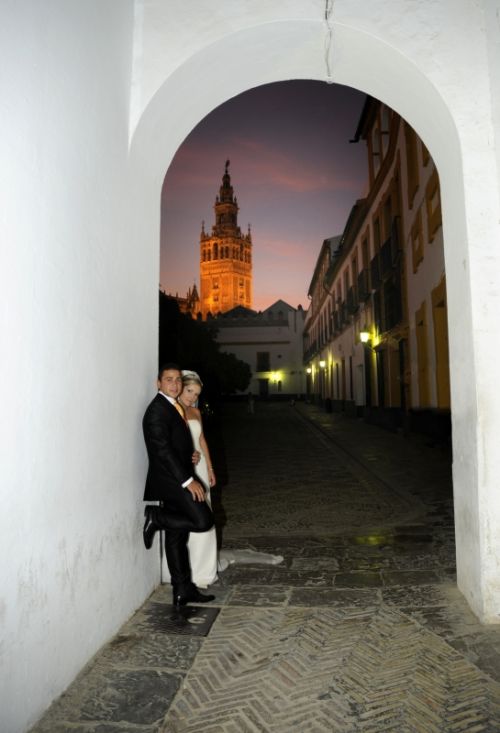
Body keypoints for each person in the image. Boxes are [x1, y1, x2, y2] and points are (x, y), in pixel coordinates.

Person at [142, 363, 215, 606]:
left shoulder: (173, 407)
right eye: (169, 379)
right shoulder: (156, 411)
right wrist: (188, 481)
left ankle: (182, 589)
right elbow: (162, 451)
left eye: (177, 380)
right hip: (172, 482)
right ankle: (156, 518)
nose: (174, 384)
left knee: (176, 537)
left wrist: (191, 456)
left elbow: (176, 444)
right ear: (158, 383)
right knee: (203, 520)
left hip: (178, 476)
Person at [179, 370, 218, 587]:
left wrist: (210, 468)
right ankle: (186, 567)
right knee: (188, 512)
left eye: (196, 393)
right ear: (180, 387)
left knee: (205, 511)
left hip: (200, 467)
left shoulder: (196, 412)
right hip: (184, 469)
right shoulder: (173, 411)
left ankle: (204, 569)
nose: (192, 397)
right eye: (189, 391)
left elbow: (202, 440)